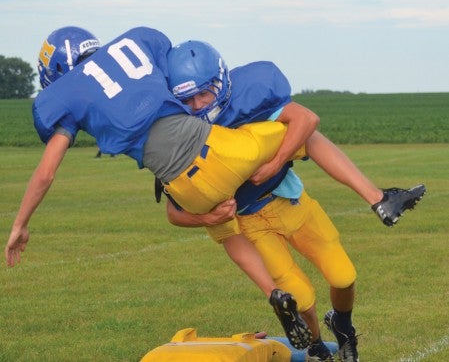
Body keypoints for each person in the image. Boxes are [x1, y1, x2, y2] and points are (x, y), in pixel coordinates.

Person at [4, 26, 321, 350]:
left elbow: (45, 174)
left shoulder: (65, 95)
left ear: (56, 69)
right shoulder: (139, 40)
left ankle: (272, 292)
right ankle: (371, 196)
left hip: (183, 185)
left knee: (226, 232)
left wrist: (20, 224)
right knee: (299, 124)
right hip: (221, 149)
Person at [163, 40, 426, 361]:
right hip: (248, 223)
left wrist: (274, 163)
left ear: (222, 80)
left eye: (204, 93)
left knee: (344, 275)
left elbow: (306, 120)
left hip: (288, 199)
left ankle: (343, 323)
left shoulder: (248, 96)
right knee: (300, 300)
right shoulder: (176, 134)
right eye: (187, 99)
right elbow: (173, 211)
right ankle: (317, 347)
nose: (198, 104)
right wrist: (207, 218)